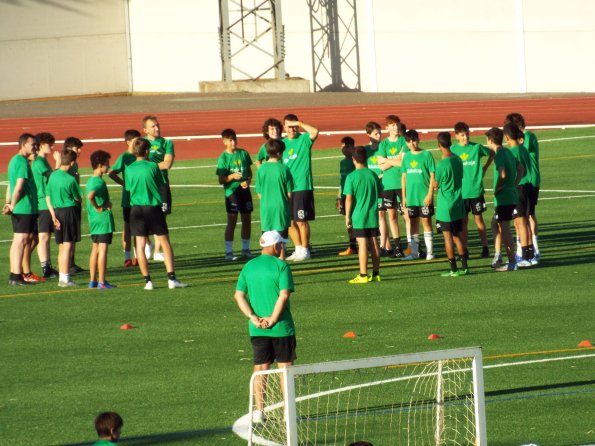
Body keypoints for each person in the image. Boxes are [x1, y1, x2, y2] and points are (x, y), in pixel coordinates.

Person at [234, 230, 296, 424]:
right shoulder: (281, 266)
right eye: (282, 244)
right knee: (285, 369)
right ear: (275, 246)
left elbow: (238, 296)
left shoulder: (249, 266)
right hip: (281, 327)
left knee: (261, 368)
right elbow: (284, 295)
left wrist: (253, 318)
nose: (283, 247)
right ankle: (288, 412)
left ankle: (259, 411)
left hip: (257, 329)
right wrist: (273, 319)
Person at [125, 138, 187, 290]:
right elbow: (161, 183)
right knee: (164, 242)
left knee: (139, 246)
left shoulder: (129, 168)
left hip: (136, 209)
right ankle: (171, 279)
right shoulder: (153, 166)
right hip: (152, 208)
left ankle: (148, 281)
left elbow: (128, 188)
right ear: (147, 151)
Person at [450, 122, 494, 258]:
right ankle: (465, 249)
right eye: (462, 135)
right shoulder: (452, 150)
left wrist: (485, 168)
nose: (465, 137)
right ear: (456, 136)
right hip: (461, 193)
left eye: (467, 134)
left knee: (479, 219)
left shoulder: (476, 147)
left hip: (475, 190)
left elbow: (492, 153)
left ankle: (485, 247)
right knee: (463, 221)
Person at [485, 127, 524, 272]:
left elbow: (502, 174)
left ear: (490, 140)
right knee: (495, 223)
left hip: (504, 199)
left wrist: (498, 188)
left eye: (487, 140)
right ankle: (498, 255)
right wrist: (514, 184)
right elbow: (521, 169)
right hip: (510, 195)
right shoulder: (508, 151)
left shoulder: (499, 154)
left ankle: (512, 261)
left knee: (505, 228)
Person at [282, 114, 319, 261]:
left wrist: (299, 122)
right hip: (287, 188)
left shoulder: (304, 140)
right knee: (289, 221)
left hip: (302, 186)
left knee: (301, 220)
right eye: (288, 126)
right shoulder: (282, 144)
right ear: (284, 127)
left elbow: (315, 132)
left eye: (294, 126)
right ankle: (298, 248)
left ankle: (305, 249)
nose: (291, 129)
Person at [344, 146, 383, 284]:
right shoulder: (372, 174)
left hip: (359, 216)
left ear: (353, 159)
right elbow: (380, 193)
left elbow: (348, 198)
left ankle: (363, 275)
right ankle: (376, 273)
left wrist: (347, 216)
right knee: (374, 244)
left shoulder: (351, 177)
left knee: (362, 245)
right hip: (372, 215)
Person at [4, 133, 38, 286]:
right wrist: (12, 204)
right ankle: (17, 276)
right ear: (24, 145)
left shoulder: (14, 160)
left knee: (17, 240)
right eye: (33, 145)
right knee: (21, 241)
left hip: (19, 207)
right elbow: (18, 187)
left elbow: (10, 185)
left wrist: (8, 202)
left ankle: (14, 274)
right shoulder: (22, 162)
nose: (35, 147)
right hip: (24, 207)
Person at [505, 112, 541, 259]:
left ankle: (533, 249)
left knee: (528, 216)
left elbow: (519, 148)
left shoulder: (527, 137)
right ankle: (524, 248)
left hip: (530, 180)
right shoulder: (519, 140)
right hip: (524, 181)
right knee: (520, 218)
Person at [46, 149, 82, 287]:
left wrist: (53, 216)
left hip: (57, 212)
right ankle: (65, 278)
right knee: (68, 246)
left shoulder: (53, 176)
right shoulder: (70, 179)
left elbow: (48, 196)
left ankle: (62, 276)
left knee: (61, 246)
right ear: (72, 163)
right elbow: (77, 198)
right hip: (69, 212)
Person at [434, 132, 468, 276]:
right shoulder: (458, 159)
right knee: (457, 235)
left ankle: (453, 268)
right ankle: (465, 267)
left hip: (445, 205)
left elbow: (436, 184)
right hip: (458, 201)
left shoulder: (442, 164)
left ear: (439, 146)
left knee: (447, 237)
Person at [216, 128, 254, 260]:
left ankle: (246, 249)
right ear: (224, 142)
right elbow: (221, 180)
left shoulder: (243, 154)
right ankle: (229, 252)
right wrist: (232, 176)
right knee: (232, 221)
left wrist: (247, 181)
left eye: (234, 139)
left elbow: (249, 172)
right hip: (232, 193)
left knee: (247, 220)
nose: (233, 142)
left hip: (244, 191)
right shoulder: (223, 158)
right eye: (230, 140)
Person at [143, 115, 175, 261]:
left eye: (157, 125)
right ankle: (146, 245)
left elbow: (167, 163)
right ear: (145, 130)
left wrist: (147, 166)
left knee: (161, 217)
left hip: (161, 184)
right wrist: (155, 166)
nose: (157, 128)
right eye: (153, 126)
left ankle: (157, 252)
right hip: (146, 186)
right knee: (144, 216)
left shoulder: (167, 143)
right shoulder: (141, 144)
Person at [401, 129, 436, 261]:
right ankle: (414, 253)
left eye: (414, 140)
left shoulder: (426, 154)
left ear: (418, 140)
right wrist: (404, 197)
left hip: (424, 196)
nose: (412, 143)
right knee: (413, 223)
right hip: (411, 197)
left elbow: (433, 175)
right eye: (409, 141)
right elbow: (403, 177)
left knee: (426, 221)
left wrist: (430, 195)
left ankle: (430, 252)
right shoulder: (406, 157)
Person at [108, 129, 141, 267]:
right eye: (135, 140)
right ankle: (127, 256)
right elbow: (111, 173)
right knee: (128, 227)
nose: (138, 143)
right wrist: (123, 183)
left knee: (139, 228)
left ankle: (138, 256)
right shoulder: (125, 157)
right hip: (128, 198)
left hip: (140, 197)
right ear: (128, 142)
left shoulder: (141, 155)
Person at [256, 138, 293, 260]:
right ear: (279, 153)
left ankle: (266, 266)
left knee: (266, 241)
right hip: (280, 208)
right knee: (280, 242)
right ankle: (281, 267)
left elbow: (259, 193)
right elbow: (289, 194)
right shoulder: (284, 169)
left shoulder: (261, 169)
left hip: (266, 208)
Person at [377, 115, 409, 258]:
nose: (395, 127)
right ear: (387, 127)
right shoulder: (383, 144)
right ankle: (397, 247)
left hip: (402, 183)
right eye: (392, 125)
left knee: (407, 215)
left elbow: (404, 163)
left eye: (397, 124)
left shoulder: (404, 141)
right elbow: (381, 166)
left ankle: (411, 246)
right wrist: (397, 158)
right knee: (392, 216)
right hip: (388, 185)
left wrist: (387, 160)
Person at [87, 150, 116, 289]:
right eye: (106, 164)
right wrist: (99, 207)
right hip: (102, 220)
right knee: (103, 249)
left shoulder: (90, 180)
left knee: (95, 249)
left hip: (93, 220)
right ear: (100, 165)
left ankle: (92, 280)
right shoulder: (98, 182)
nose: (108, 166)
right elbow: (90, 196)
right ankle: (102, 282)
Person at [32, 132, 59, 279]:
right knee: (44, 236)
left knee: (46, 237)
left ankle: (48, 267)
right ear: (41, 145)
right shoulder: (40, 162)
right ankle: (46, 268)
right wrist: (59, 163)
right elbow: (53, 178)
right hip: (42, 203)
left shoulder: (43, 161)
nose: (52, 147)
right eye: (50, 144)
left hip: (45, 202)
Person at [363, 121, 391, 257]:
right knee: (372, 215)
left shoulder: (384, 147)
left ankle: (382, 245)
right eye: (375, 133)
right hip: (370, 188)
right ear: (368, 134)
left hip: (382, 186)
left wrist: (382, 175)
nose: (379, 136)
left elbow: (388, 164)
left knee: (381, 214)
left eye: (380, 133)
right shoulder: (365, 151)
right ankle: (382, 244)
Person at [62, 137, 85, 274]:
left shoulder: (74, 164)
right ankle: (66, 266)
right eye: (77, 148)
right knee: (67, 237)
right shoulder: (64, 165)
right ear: (69, 148)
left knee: (74, 235)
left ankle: (72, 263)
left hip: (75, 202)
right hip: (67, 204)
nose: (80, 151)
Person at [337, 136, 357, 256]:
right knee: (348, 221)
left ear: (351, 147)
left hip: (353, 196)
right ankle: (352, 246)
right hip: (345, 196)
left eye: (345, 146)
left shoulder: (355, 161)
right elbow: (342, 181)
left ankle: (364, 243)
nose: (343, 149)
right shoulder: (343, 162)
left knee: (355, 220)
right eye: (342, 146)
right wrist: (339, 196)